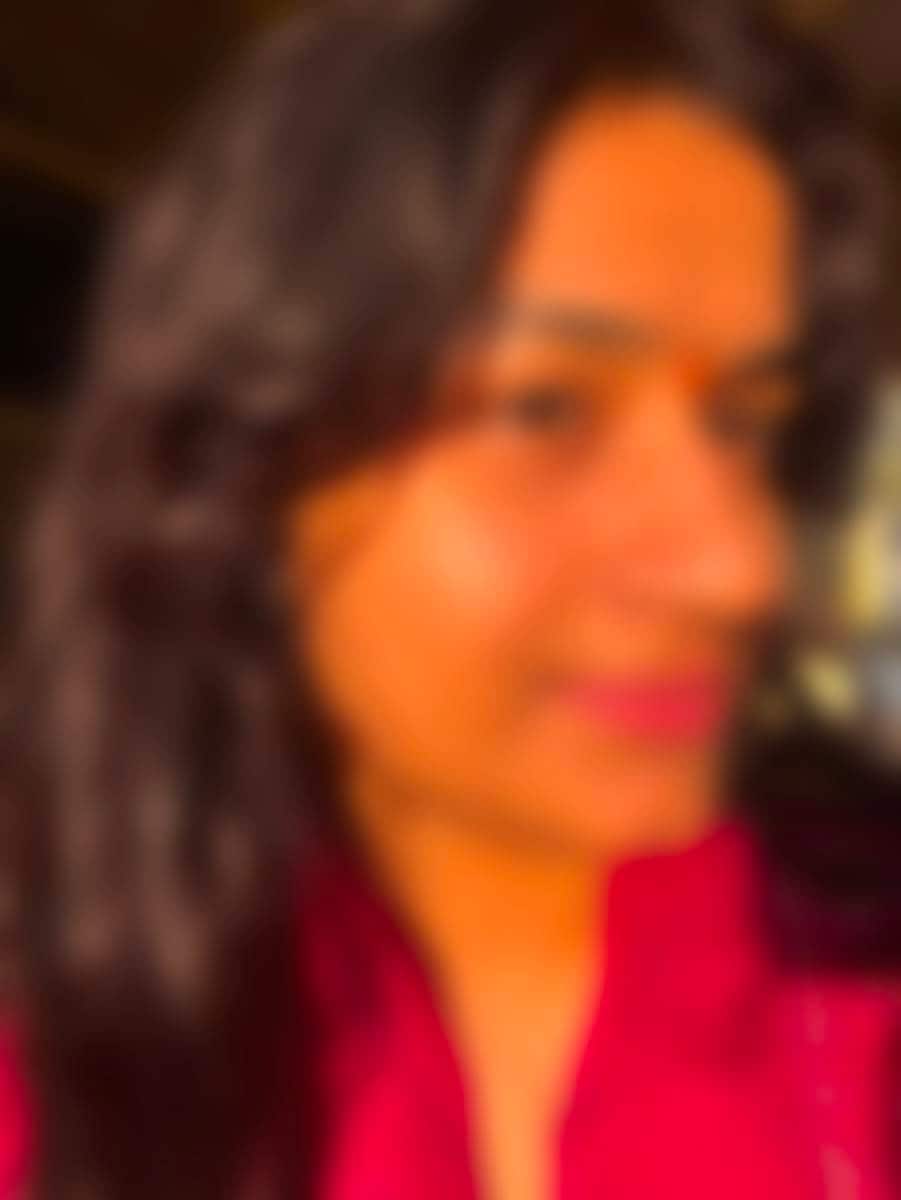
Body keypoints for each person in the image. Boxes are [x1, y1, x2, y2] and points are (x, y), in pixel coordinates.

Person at [1, 1, 898, 1197]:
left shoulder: (855, 1006)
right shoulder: (76, 1089)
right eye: (547, 409)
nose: (738, 566)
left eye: (744, 424)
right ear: (245, 479)